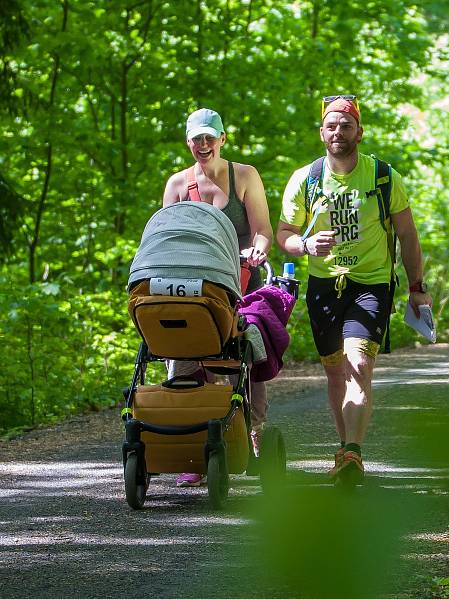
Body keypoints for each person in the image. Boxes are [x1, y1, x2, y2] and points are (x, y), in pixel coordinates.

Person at [276, 95, 432, 486]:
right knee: (334, 373)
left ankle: (354, 453)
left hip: (371, 285)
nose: (338, 132)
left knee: (359, 366)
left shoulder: (382, 176)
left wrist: (417, 287)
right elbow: (284, 235)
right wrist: (306, 246)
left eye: (346, 125)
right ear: (321, 133)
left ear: (359, 131)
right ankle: (345, 447)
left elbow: (408, 235)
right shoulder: (306, 179)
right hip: (324, 287)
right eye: (331, 126)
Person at [162, 108, 273, 487]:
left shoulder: (244, 176)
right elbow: (166, 239)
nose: (204, 145)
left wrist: (258, 249)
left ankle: (252, 431)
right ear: (188, 141)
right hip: (193, 287)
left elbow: (262, 231)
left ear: (223, 139)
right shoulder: (177, 185)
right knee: (184, 347)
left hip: (241, 282)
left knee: (248, 348)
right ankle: (193, 442)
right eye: (197, 139)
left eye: (211, 137)